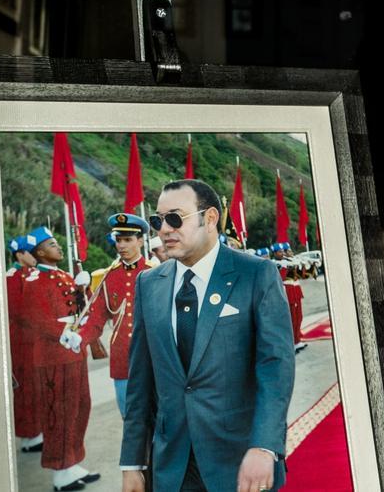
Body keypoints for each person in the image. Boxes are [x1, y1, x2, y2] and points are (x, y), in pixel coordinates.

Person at [120, 179, 295, 492]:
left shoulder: (255, 274)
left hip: (241, 463)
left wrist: (265, 446)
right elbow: (140, 381)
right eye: (157, 221)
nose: (163, 230)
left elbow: (276, 368)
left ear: (210, 218)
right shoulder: (149, 284)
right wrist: (133, 462)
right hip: (173, 466)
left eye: (175, 218)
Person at [21, 226, 99, 491]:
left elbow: (80, 308)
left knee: (80, 406)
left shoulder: (63, 275)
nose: (58, 247)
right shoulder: (34, 280)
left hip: (73, 350)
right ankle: (59, 471)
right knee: (59, 412)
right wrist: (62, 332)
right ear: (40, 252)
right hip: (54, 354)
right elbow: (35, 318)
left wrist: (83, 289)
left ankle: (72, 462)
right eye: (53, 244)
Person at [75, 213, 158, 417]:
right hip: (122, 359)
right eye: (118, 240)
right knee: (129, 418)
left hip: (152, 357)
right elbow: (96, 318)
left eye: (128, 240)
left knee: (157, 419)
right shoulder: (109, 276)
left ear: (140, 241)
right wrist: (80, 337)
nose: (121, 245)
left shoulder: (156, 273)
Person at [6, 235, 43, 453]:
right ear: (19, 254)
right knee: (25, 388)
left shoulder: (32, 274)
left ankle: (35, 432)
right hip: (21, 342)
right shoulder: (12, 276)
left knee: (36, 387)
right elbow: (18, 311)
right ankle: (29, 437)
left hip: (35, 340)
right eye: (30, 251)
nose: (34, 255)